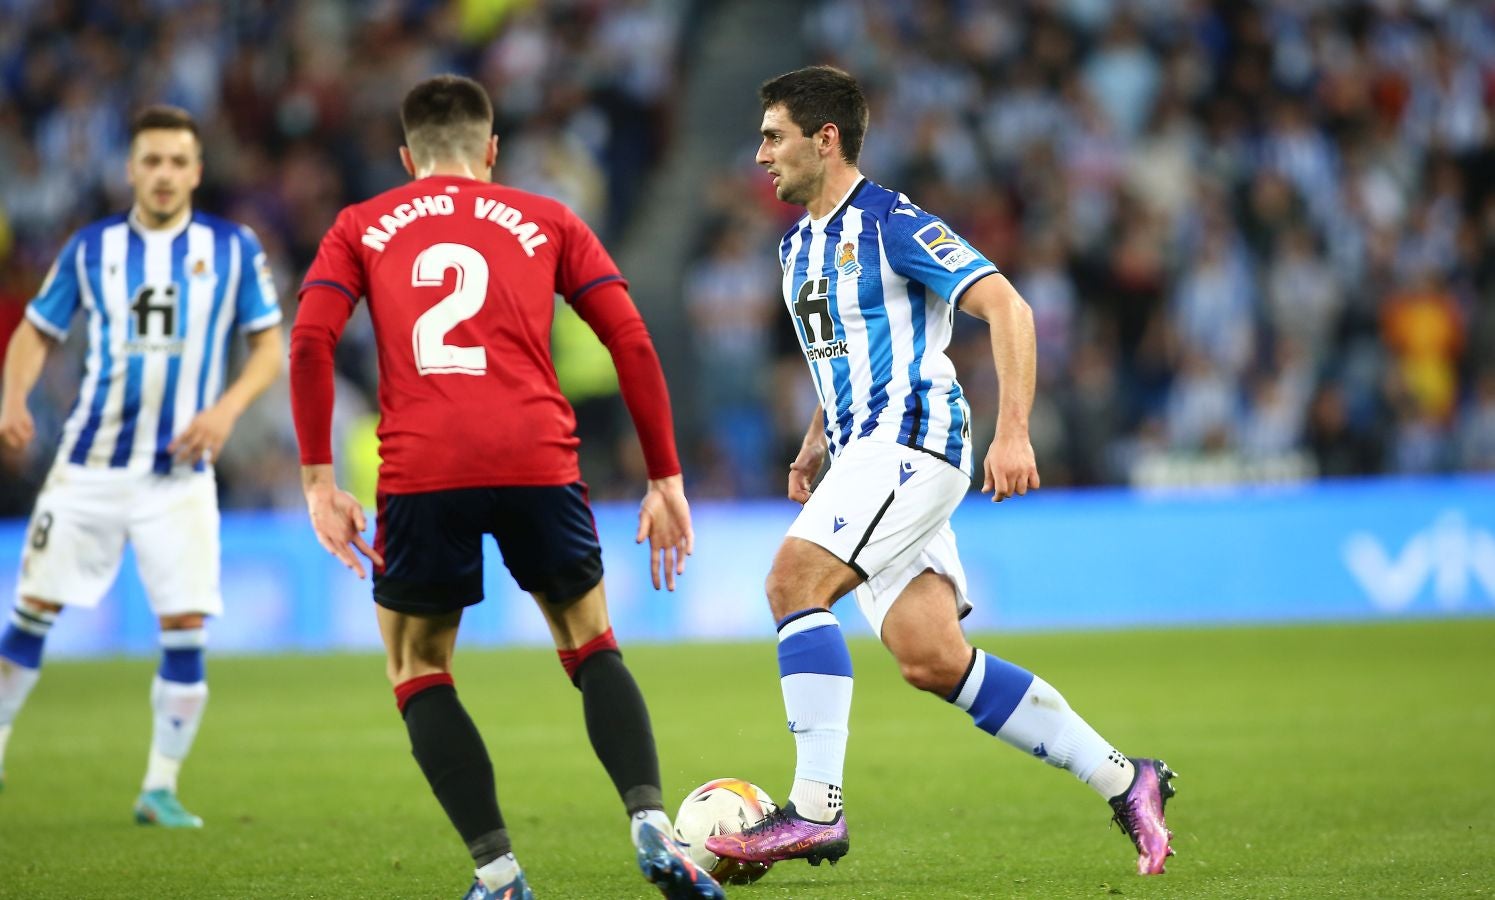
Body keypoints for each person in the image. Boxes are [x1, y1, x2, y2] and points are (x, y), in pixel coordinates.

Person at [705, 66, 1178, 877]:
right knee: (930, 657)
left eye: (773, 136)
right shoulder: (794, 247)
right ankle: (1123, 777)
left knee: (791, 585)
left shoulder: (893, 223)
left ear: (826, 140)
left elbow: (1008, 306)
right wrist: (819, 435)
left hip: (913, 441)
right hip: (861, 450)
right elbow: (847, 351)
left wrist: (1014, 432)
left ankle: (815, 811)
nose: (760, 156)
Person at [288, 74, 723, 900]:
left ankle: (499, 873)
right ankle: (652, 826)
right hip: (537, 454)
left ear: (406, 155)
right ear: (491, 151)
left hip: (423, 466)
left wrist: (318, 480)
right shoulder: (549, 217)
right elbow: (629, 338)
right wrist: (665, 476)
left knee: (416, 663)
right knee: (590, 641)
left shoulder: (360, 223)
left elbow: (310, 341)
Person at [0, 105, 285, 826]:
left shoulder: (231, 248)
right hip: (89, 466)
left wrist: (224, 412)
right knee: (32, 613)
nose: (162, 174)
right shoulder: (91, 249)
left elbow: (268, 347)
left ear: (196, 171)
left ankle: (159, 786)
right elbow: (36, 332)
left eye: (176, 162)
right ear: (130, 169)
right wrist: (13, 397)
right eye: (150, 161)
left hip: (180, 477)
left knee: (187, 625)